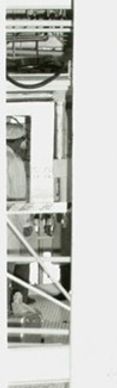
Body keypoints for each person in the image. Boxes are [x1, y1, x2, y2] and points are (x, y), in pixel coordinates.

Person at [7, 117, 31, 313]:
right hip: (10, 223)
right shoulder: (15, 162)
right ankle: (11, 305)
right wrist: (27, 221)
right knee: (10, 266)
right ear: (15, 141)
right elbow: (20, 195)